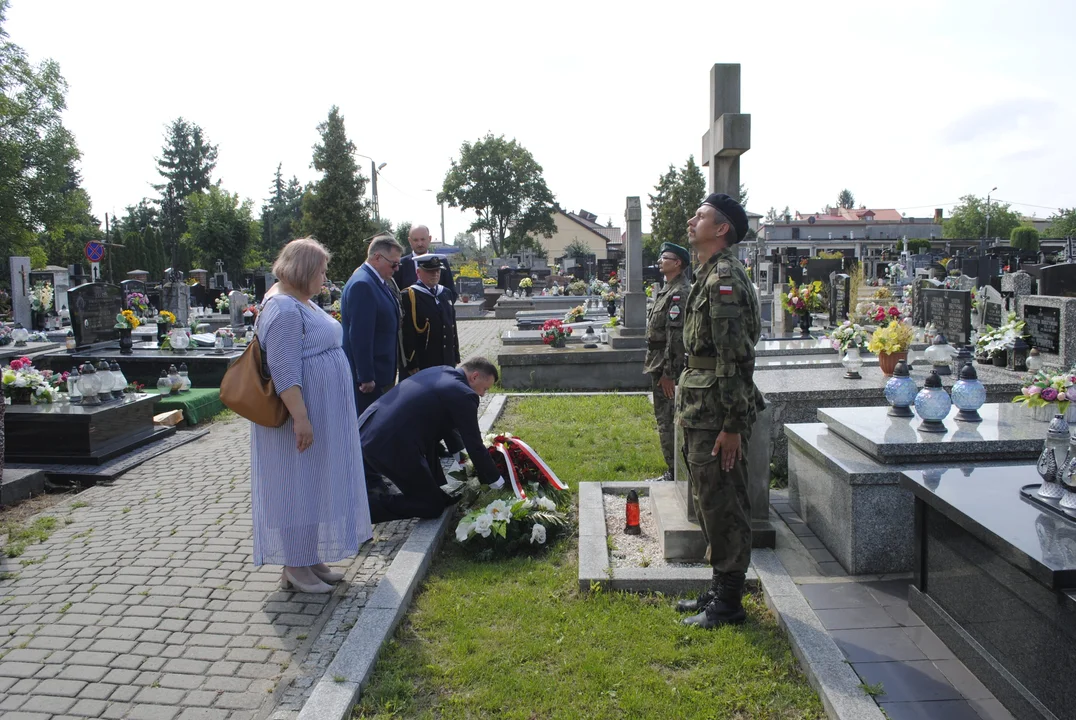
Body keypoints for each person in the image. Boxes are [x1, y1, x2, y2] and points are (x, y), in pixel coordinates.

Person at [250, 237, 372, 594]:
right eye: (321, 271)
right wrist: (301, 419)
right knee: (296, 486)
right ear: (303, 270)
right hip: (297, 419)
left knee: (312, 484)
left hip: (317, 415)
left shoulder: (300, 302)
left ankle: (309, 556)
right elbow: (285, 370)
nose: (325, 278)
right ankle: (294, 565)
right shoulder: (284, 309)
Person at [676, 193, 765, 629]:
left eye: (702, 215)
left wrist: (732, 425)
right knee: (708, 498)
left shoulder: (723, 278)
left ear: (723, 228)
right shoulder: (708, 274)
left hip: (717, 413)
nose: (692, 220)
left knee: (724, 501)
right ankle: (719, 585)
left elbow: (735, 357)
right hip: (702, 407)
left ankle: (729, 602)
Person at [359, 358, 506, 523]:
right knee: (430, 505)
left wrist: (462, 459)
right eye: (485, 388)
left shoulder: (442, 370)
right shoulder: (464, 393)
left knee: (437, 496)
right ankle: (364, 511)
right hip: (389, 445)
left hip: (368, 429)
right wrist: (497, 481)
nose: (482, 394)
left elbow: (447, 424)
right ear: (475, 376)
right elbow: (475, 445)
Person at [341, 233, 404, 415]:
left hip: (381, 373)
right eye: (394, 263)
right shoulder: (363, 284)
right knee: (370, 429)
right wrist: (366, 376)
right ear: (377, 257)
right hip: (371, 380)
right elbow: (360, 335)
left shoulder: (377, 280)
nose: (397, 268)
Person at [644, 242, 691, 482]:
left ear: (678, 263)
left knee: (668, 422)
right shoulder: (667, 289)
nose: (661, 261)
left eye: (666, 257)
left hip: (666, 367)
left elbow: (676, 336)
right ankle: (674, 470)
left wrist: (670, 373)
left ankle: (675, 473)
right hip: (658, 362)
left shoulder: (679, 292)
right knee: (664, 419)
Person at [401, 254, 461, 376]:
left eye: (437, 270)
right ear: (418, 272)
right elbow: (408, 332)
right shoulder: (410, 295)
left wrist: (455, 353)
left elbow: (451, 325)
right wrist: (412, 362)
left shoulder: (445, 292)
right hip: (425, 360)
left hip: (446, 358)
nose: (435, 274)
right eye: (430, 271)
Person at [395, 225, 457, 302]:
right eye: (415, 240)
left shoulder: (441, 261)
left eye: (423, 239)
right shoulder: (401, 264)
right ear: (409, 241)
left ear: (429, 239)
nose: (420, 244)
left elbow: (451, 292)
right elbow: (396, 295)